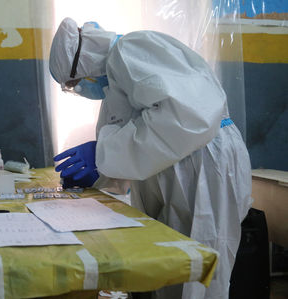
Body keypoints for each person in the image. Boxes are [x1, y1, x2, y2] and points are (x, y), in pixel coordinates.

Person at [49, 18, 253, 299]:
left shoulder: (132, 48)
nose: (80, 89)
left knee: (199, 257)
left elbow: (188, 118)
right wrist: (100, 171)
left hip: (203, 163)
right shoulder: (116, 80)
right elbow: (137, 139)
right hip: (179, 163)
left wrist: (102, 154)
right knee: (170, 260)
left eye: (73, 83)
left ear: (82, 63)